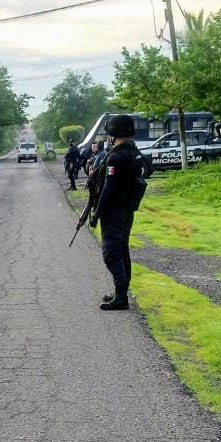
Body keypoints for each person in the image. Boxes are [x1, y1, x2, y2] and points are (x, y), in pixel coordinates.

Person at [89, 115, 146, 311]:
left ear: (114, 134)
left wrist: (97, 213)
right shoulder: (133, 152)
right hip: (126, 210)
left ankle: (121, 298)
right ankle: (120, 293)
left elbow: (108, 188)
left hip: (114, 211)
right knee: (122, 251)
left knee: (112, 254)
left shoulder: (115, 156)